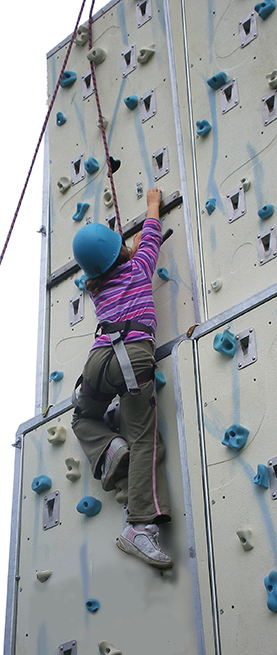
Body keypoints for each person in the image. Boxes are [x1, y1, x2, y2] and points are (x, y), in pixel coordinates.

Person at [71, 188, 173, 570]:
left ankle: (110, 452)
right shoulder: (138, 267)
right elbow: (150, 234)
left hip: (98, 359)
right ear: (122, 253)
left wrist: (121, 248)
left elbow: (113, 258)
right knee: (145, 439)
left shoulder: (94, 289)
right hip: (132, 357)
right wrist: (151, 204)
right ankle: (140, 528)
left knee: (82, 418)